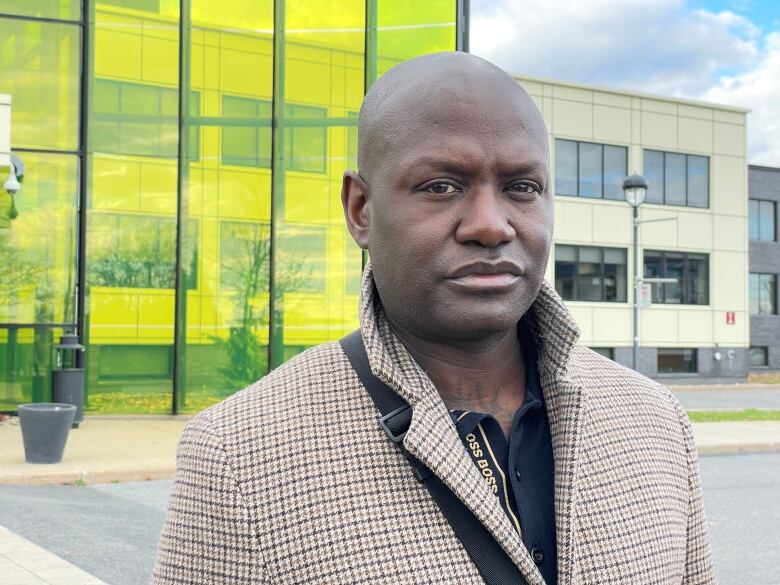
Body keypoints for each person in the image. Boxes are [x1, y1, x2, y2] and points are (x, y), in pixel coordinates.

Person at [152, 52, 716, 585]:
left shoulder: (655, 421)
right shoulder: (240, 453)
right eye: (441, 186)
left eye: (523, 187)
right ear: (361, 210)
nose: (491, 225)